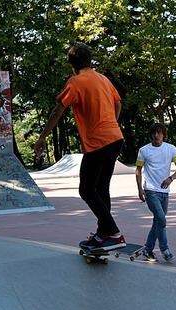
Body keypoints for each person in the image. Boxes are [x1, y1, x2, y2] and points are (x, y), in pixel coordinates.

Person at [34, 43, 126, 250]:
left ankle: (114, 233)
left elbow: (58, 110)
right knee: (101, 188)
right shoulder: (103, 79)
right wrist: (112, 123)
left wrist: (42, 138)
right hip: (116, 138)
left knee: (86, 189)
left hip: (98, 142)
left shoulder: (76, 82)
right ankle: (104, 235)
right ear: (90, 61)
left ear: (72, 66)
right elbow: (118, 103)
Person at [135, 122, 176, 262]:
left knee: (158, 221)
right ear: (151, 135)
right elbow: (138, 170)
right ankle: (164, 249)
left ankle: (148, 249)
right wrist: (140, 189)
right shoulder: (144, 150)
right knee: (161, 219)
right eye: (154, 133)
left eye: (159, 133)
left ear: (164, 135)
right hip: (151, 191)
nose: (157, 135)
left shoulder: (171, 149)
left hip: (165, 192)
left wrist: (170, 178)